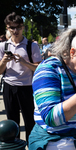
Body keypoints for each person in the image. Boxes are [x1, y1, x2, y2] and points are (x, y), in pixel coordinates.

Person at [0, 12, 42, 143]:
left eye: (18, 27)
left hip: (27, 87)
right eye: (12, 27)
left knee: (30, 120)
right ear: (7, 28)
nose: (15, 30)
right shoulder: (3, 46)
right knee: (12, 121)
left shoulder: (31, 46)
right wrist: (4, 61)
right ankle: (15, 146)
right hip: (9, 85)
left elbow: (39, 69)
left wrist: (24, 62)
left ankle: (32, 145)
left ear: (23, 27)